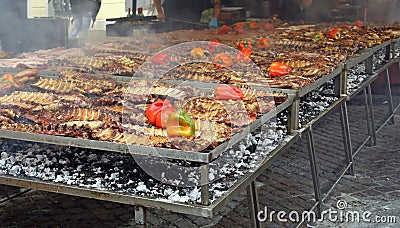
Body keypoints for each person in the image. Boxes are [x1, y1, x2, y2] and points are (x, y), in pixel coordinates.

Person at [153, 0, 222, 28]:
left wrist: (214, 18)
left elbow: (217, 2)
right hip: (172, 21)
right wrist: (159, 12)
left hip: (193, 22)